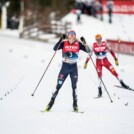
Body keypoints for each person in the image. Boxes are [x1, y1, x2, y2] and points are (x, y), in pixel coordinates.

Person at [44, 30, 90, 112]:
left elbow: (89, 51)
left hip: (73, 68)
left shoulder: (78, 44)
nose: (72, 35)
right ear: (68, 36)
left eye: (74, 34)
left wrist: (84, 43)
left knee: (74, 86)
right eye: (71, 34)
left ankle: (75, 104)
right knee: (58, 86)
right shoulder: (64, 43)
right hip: (64, 67)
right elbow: (55, 48)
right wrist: (60, 40)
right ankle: (50, 103)